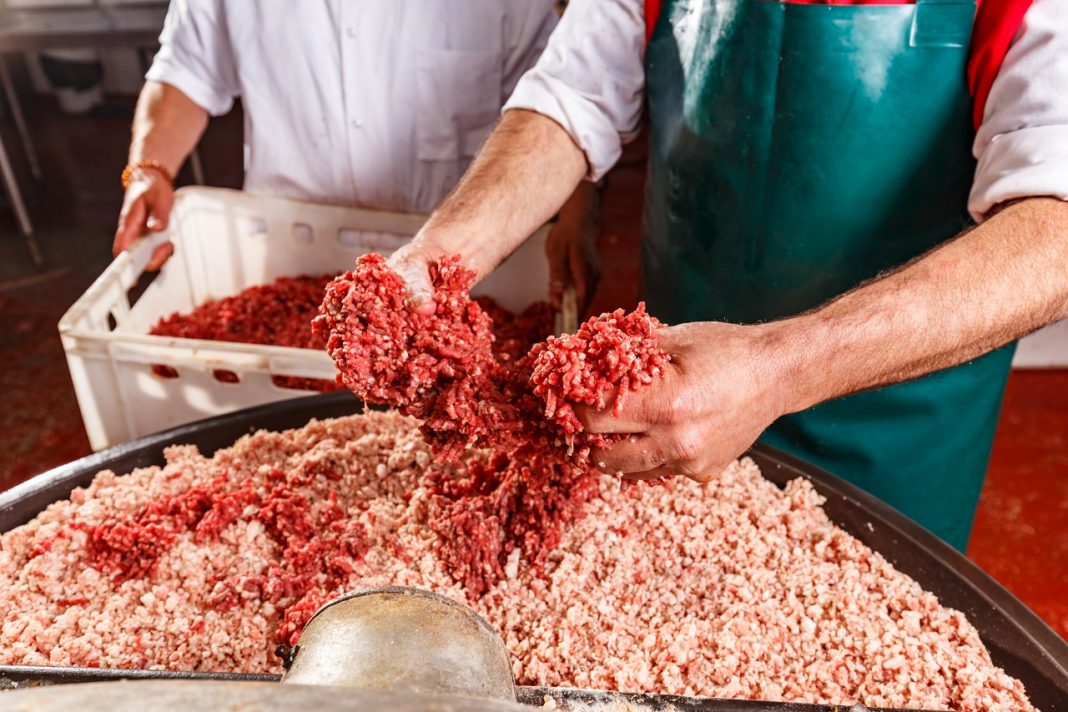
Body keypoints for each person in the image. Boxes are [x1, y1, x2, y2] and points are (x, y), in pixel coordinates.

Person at [389, 0, 1068, 550]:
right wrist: (437, 260)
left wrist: (776, 367)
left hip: (894, 427)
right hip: (673, 396)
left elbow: (1054, 233)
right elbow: (571, 97)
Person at [112, 0, 597, 309]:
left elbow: (560, 102)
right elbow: (185, 71)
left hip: (464, 275)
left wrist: (576, 219)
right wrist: (151, 169)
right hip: (288, 259)